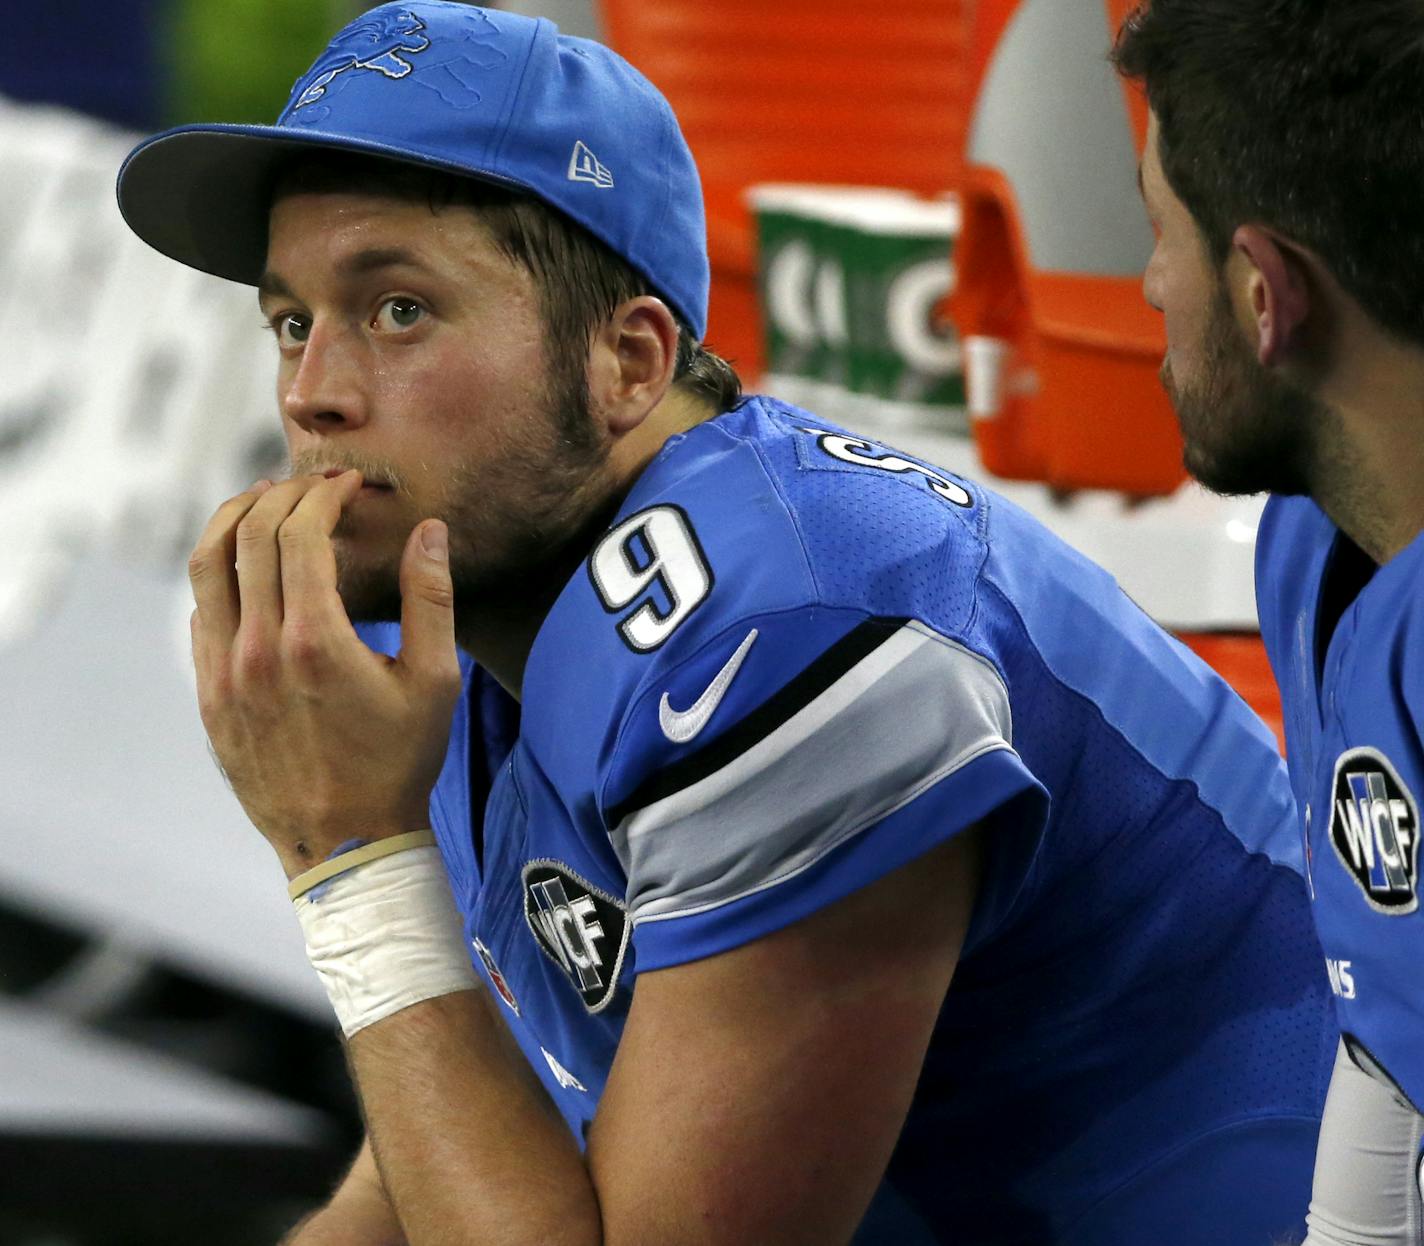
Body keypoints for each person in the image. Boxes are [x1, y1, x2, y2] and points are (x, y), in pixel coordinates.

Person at [117, 3, 1335, 1242]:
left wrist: (350, 861)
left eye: (397, 312)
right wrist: (364, 864)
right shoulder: (439, 615)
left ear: (630, 362)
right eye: (290, 322)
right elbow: (448, 1146)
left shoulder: (797, 623)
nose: (313, 394)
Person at [1114, 1, 1424, 1242]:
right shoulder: (1315, 534)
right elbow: (1386, 1019)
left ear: (1262, 292)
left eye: (1157, 236)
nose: (1142, 285)